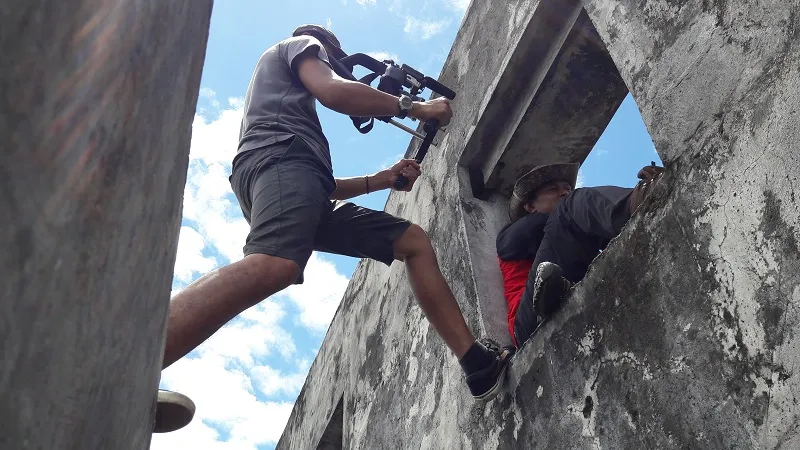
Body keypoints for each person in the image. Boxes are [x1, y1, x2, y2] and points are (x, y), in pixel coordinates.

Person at [153, 24, 513, 433]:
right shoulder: (301, 45)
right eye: (334, 55)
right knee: (275, 263)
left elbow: (318, 184)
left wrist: (382, 179)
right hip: (280, 162)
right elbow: (333, 92)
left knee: (411, 241)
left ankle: (476, 364)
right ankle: (134, 358)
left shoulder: (285, 110)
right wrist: (415, 107)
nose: (336, 62)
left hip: (289, 173)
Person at [496, 161, 664, 348]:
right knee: (569, 209)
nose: (564, 192)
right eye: (553, 189)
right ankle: (640, 200)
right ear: (529, 207)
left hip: (569, 290)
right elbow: (535, 229)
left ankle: (638, 206)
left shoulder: (565, 231)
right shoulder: (510, 236)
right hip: (526, 324)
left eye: (567, 188)